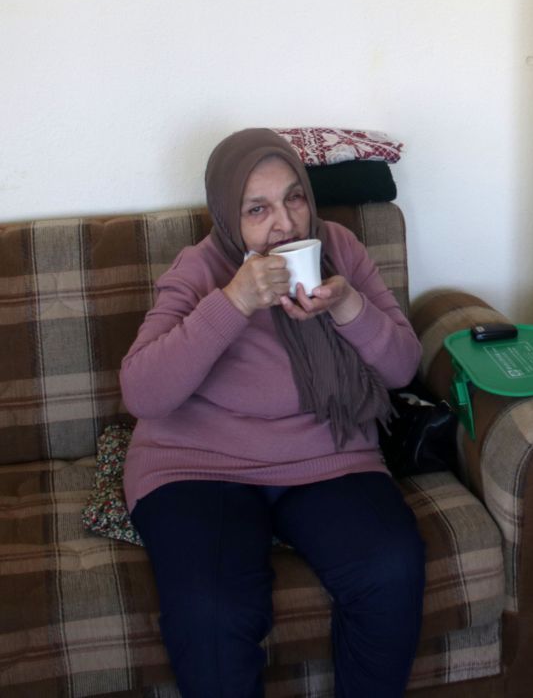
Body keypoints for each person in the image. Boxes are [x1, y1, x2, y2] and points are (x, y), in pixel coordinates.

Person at [120, 128, 426, 697]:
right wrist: (234, 301)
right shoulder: (200, 268)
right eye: (257, 209)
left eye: (294, 198)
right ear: (226, 215)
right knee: (212, 610)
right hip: (198, 464)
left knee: (391, 566)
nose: (285, 224)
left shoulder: (340, 250)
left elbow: (403, 366)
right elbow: (142, 393)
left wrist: (349, 306)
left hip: (327, 455)